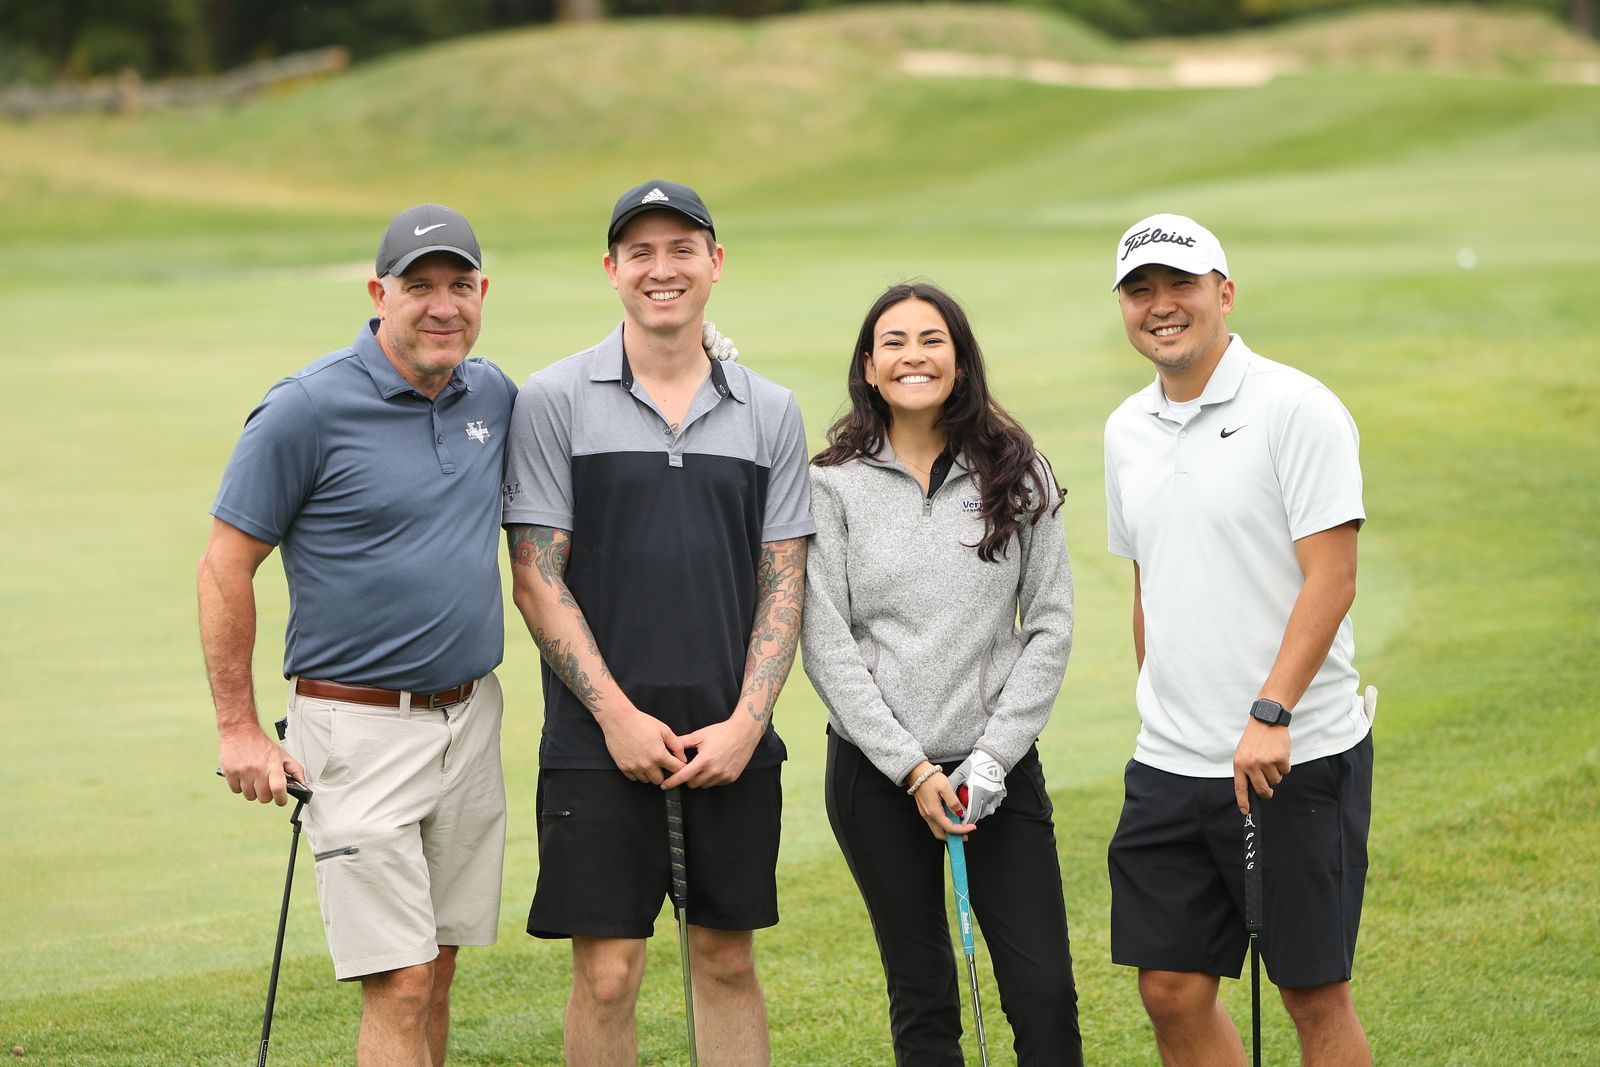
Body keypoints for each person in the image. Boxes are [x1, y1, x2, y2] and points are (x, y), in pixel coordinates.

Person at [502, 179, 813, 1066]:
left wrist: (748, 722)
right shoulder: (554, 397)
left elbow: (783, 582)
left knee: (725, 960)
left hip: (730, 736)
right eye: (640, 251)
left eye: (682, 249)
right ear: (611, 269)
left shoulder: (770, 409)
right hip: (594, 739)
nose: (661, 268)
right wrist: (617, 717)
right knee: (607, 974)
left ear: (716, 263)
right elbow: (536, 579)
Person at [200, 204, 517, 1066]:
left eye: (460, 286)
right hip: (355, 728)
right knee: (400, 980)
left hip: (470, 718)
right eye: (420, 287)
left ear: (482, 292)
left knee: (438, 968)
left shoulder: (492, 395)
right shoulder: (305, 408)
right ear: (380, 295)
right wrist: (238, 727)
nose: (443, 305)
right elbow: (224, 566)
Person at [1102, 213, 1374, 1066]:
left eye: (1180, 285)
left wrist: (1270, 710)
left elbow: (1332, 577)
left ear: (1224, 293)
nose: (1161, 305)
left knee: (1311, 993)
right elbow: (1148, 580)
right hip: (1170, 760)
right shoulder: (1125, 429)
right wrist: (1161, 705)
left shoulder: (1297, 407)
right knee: (1168, 987)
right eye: (1140, 290)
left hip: (1292, 753)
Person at [802, 282, 1082, 1065]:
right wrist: (912, 767)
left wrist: (993, 758)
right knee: (923, 995)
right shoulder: (830, 484)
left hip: (997, 772)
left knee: (1044, 995)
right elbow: (825, 639)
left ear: (960, 361)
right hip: (878, 777)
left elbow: (1050, 623)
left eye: (932, 340)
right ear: (868, 367)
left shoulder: (1018, 471)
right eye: (893, 342)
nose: (913, 356)